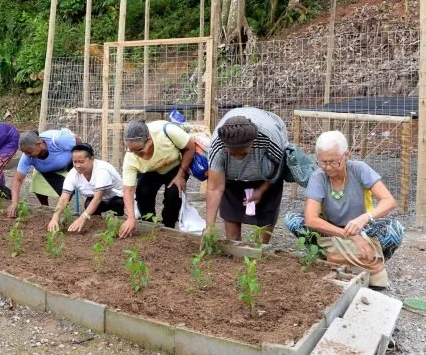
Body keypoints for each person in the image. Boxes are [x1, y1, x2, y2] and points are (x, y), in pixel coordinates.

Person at [284, 131, 403, 288]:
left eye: (334, 162)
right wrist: (350, 236)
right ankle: (365, 260)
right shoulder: (318, 177)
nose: (327, 167)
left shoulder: (359, 169)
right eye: (323, 162)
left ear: (346, 155)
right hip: (331, 229)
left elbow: (389, 201)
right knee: (292, 220)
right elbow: (311, 219)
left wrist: (365, 218)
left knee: (396, 230)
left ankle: (338, 258)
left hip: (363, 229)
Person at [203, 108, 288, 244]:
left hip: (265, 176)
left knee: (265, 220)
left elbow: (279, 168)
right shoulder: (218, 145)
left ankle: (260, 252)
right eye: (232, 154)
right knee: (231, 223)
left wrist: (261, 190)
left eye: (242, 154)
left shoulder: (270, 138)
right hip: (231, 179)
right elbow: (214, 188)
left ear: (253, 144)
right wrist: (209, 227)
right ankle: (235, 252)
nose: (237, 158)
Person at [118, 120, 199, 238]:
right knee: (142, 193)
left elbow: (190, 147)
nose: (135, 154)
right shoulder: (130, 158)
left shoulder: (167, 131)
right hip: (150, 171)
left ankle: (168, 227)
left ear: (149, 141)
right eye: (131, 150)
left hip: (175, 167)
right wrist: (131, 218)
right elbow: (128, 190)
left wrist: (181, 174)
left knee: (174, 193)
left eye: (139, 150)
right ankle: (150, 226)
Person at [47, 144, 124, 232]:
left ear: (92, 159)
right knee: (88, 204)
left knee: (117, 203)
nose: (77, 166)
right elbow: (64, 198)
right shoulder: (73, 173)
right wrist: (55, 217)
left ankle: (117, 226)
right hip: (98, 200)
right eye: (75, 162)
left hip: (116, 198)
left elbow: (97, 198)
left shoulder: (102, 170)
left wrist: (82, 218)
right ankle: (98, 225)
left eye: (81, 162)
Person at [7, 129, 80, 218]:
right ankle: (46, 208)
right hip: (46, 171)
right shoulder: (27, 156)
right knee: (36, 179)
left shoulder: (58, 140)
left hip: (68, 165)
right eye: (25, 153)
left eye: (29, 152)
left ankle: (62, 211)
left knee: (68, 189)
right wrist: (14, 202)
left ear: (39, 144)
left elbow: (79, 143)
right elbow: (18, 180)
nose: (27, 155)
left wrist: (78, 163)